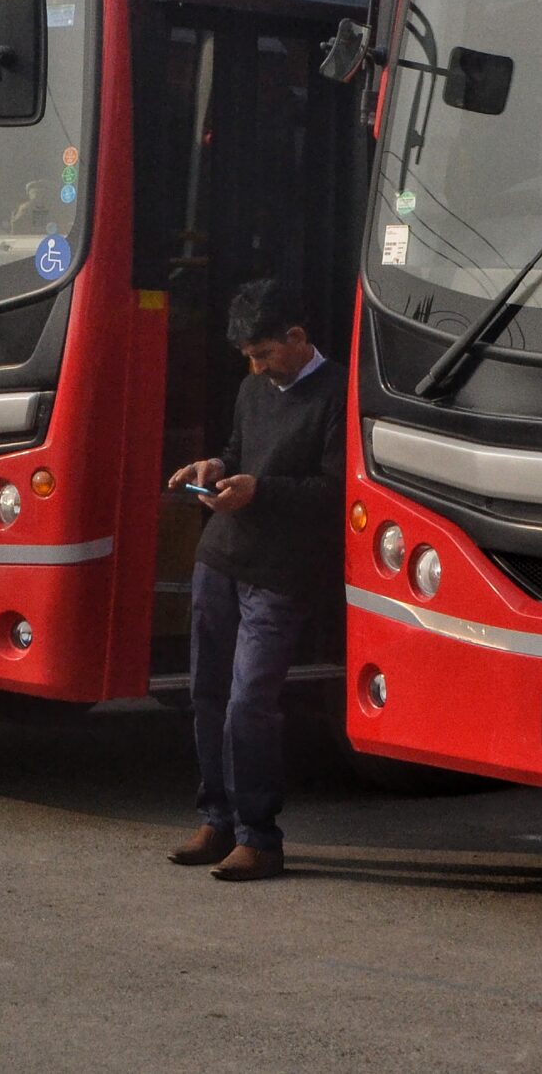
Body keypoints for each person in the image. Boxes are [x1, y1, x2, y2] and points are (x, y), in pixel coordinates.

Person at [164, 279, 345, 882]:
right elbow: (240, 450)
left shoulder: (341, 394)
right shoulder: (251, 388)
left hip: (281, 570)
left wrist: (259, 491)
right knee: (207, 693)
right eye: (249, 356)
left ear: (298, 337)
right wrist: (215, 466)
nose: (256, 366)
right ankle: (216, 820)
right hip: (220, 556)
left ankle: (260, 836)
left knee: (250, 702)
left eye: (264, 353)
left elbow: (337, 490)